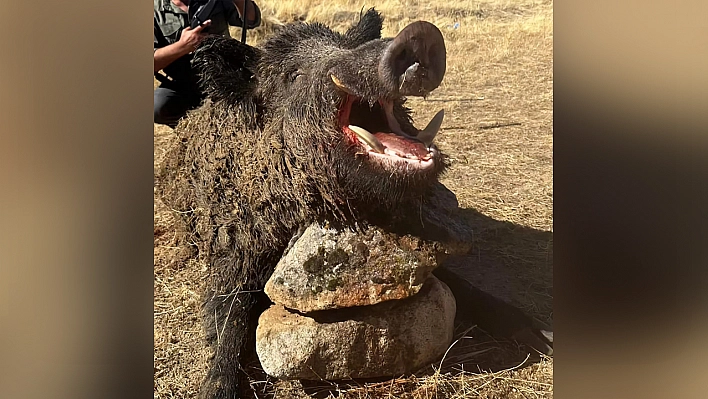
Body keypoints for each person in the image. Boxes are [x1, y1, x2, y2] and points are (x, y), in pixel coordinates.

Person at [154, 0, 261, 128]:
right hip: (183, 84)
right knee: (156, 106)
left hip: (225, 76)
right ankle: (193, 132)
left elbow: (251, 20)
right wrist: (183, 46)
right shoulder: (154, 11)